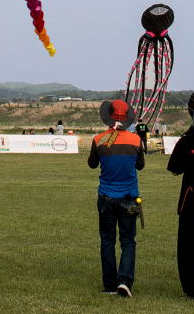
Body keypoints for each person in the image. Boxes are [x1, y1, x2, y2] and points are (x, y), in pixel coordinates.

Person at [88, 99, 144, 298]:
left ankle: (110, 284)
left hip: (106, 197)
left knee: (107, 241)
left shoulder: (98, 140)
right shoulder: (136, 141)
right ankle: (125, 281)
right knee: (128, 241)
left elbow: (92, 164)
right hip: (129, 197)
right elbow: (140, 166)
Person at [166, 93, 194, 298]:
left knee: (188, 246)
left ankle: (191, 288)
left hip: (190, 201)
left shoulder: (186, 142)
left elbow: (175, 169)